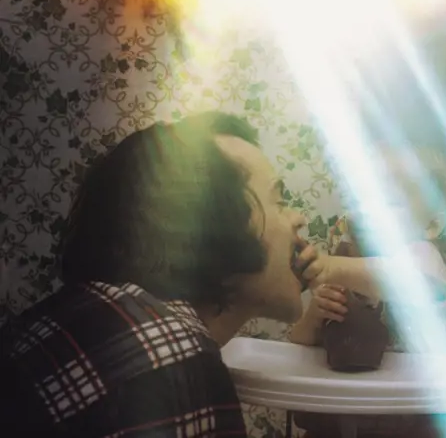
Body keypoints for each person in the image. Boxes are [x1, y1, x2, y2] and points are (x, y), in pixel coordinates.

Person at [0, 111, 327, 437]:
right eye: (279, 201)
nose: (297, 218)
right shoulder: (165, 355)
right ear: (208, 224)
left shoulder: (97, 317)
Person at [289, 142, 446, 437]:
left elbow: (404, 280)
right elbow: (297, 347)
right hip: (348, 417)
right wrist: (314, 317)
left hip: (420, 417)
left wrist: (330, 267)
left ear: (432, 225)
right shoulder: (347, 261)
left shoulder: (425, 259)